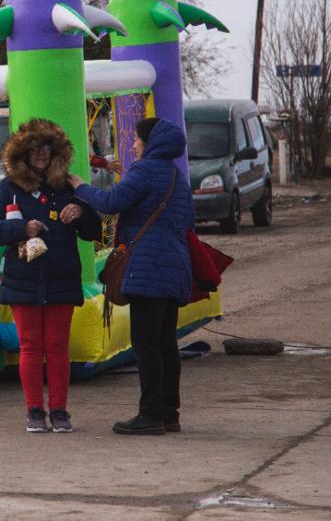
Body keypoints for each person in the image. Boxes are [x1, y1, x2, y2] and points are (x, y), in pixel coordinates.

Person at [69, 117, 194, 436]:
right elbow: (188, 220)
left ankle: (150, 414)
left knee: (146, 343)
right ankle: (169, 413)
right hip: (175, 266)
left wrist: (80, 187)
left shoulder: (145, 170)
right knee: (165, 342)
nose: (134, 145)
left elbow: (111, 202)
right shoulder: (176, 176)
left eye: (138, 139)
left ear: (150, 142)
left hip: (148, 267)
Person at [0, 118, 101, 434]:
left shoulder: (69, 187)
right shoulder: (8, 188)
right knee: (31, 347)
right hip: (23, 280)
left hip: (62, 279)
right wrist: (22, 229)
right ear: (22, 153)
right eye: (34, 149)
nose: (40, 154)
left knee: (58, 347)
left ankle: (59, 411)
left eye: (46, 148)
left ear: (55, 151)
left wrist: (82, 212)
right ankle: (34, 411)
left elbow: (93, 231)